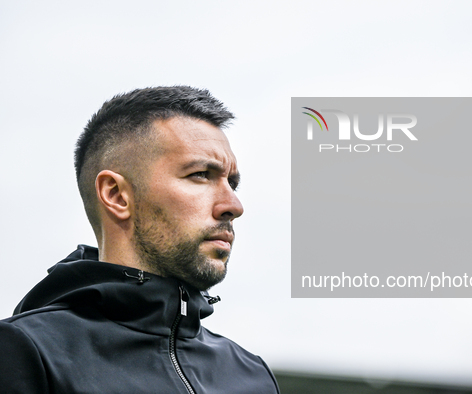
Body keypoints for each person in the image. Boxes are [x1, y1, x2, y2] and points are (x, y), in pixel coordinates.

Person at [0, 86, 281, 393]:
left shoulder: (252, 375)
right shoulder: (26, 354)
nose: (233, 206)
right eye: (201, 174)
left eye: (233, 183)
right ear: (116, 195)